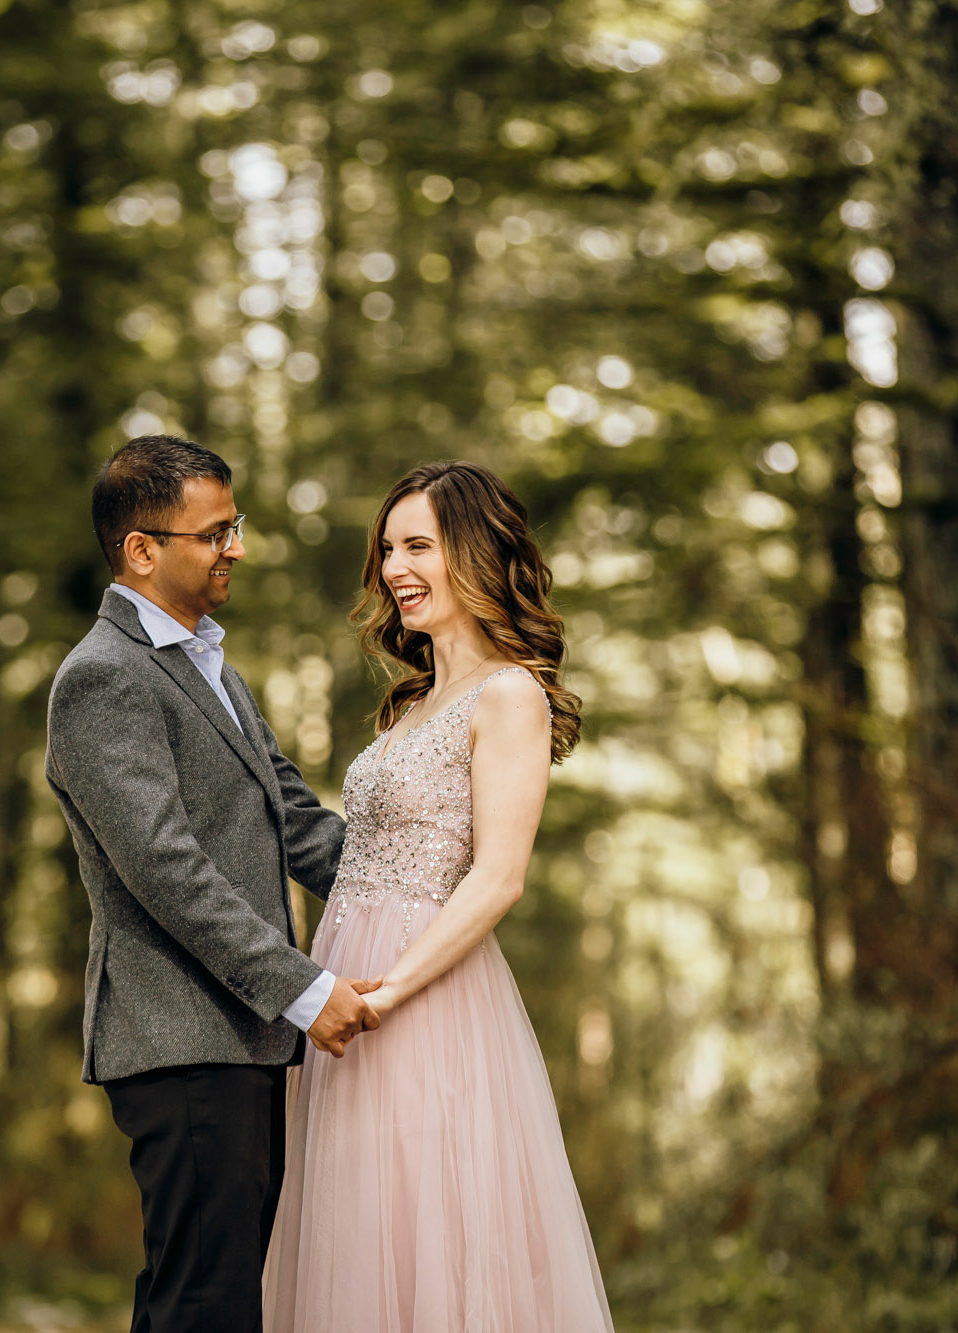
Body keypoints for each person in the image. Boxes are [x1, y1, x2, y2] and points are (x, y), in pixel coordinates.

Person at [263, 460, 616, 1331]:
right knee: (354, 1226)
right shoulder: (410, 704)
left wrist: (387, 993)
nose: (393, 568)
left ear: (476, 555)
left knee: (431, 1224)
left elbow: (499, 876)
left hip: (423, 1000)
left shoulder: (509, 695)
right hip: (343, 984)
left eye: (417, 545)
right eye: (388, 549)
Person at [42, 434, 383, 1333]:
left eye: (236, 527)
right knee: (203, 1301)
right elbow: (166, 868)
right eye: (215, 532)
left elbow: (294, 821)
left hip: (240, 1033)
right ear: (141, 550)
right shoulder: (101, 679)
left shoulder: (209, 665)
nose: (236, 547)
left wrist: (420, 889)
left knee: (231, 1295)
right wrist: (305, 990)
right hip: (180, 1034)